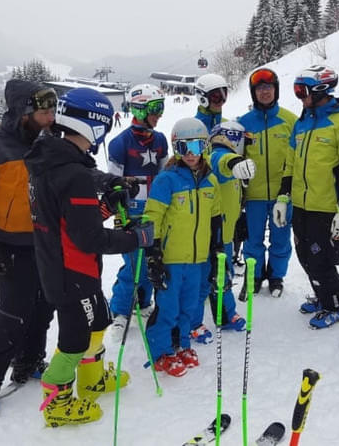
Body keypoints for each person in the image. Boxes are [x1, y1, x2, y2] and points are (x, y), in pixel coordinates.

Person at [25, 87, 154, 426]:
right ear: (95, 124)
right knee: (74, 339)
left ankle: (91, 378)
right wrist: (135, 238)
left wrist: (107, 201)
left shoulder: (53, 159)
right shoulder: (72, 173)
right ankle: (57, 400)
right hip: (70, 271)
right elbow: (89, 238)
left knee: (98, 321)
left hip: (67, 264)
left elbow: (73, 222)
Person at [0, 80, 57, 417]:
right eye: (43, 112)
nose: (50, 119)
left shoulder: (47, 146)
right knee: (12, 316)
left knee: (44, 308)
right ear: (23, 112)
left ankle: (28, 361)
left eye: (52, 112)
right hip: (9, 248)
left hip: (44, 245)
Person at [273, 65, 339, 330]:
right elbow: (290, 163)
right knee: (303, 254)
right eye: (296, 91)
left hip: (327, 208)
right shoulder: (302, 123)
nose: (299, 96)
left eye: (302, 91)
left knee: (322, 258)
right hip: (301, 205)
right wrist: (283, 196)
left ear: (321, 90)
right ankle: (322, 295)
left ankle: (335, 304)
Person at [144, 117, 223, 377]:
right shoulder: (167, 180)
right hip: (172, 257)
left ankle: (181, 345)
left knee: (190, 306)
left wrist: (217, 248)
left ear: (206, 148)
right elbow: (152, 216)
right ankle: (161, 351)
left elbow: (215, 218)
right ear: (176, 150)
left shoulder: (211, 181)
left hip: (199, 257)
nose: (190, 154)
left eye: (197, 147)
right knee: (168, 306)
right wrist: (154, 253)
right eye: (183, 148)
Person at [107, 84, 169, 343]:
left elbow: (166, 177)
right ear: (139, 109)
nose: (159, 114)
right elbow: (112, 183)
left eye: (161, 107)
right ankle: (120, 310)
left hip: (156, 211)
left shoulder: (161, 139)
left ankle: (142, 303)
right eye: (155, 108)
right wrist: (118, 215)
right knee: (135, 265)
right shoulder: (120, 143)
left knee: (152, 259)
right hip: (131, 211)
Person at [189, 121, 255, 342]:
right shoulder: (215, 156)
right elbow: (221, 161)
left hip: (225, 235)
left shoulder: (231, 165)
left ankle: (226, 315)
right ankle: (193, 323)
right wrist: (235, 160)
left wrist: (239, 219)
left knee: (224, 277)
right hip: (208, 236)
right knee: (202, 281)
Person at [237, 68, 298, 297]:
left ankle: (276, 277)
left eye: (268, 88)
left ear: (276, 90)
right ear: (254, 93)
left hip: (282, 195)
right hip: (254, 194)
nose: (264, 92)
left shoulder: (290, 121)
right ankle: (254, 276)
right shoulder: (243, 124)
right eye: (260, 89)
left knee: (280, 238)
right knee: (253, 239)